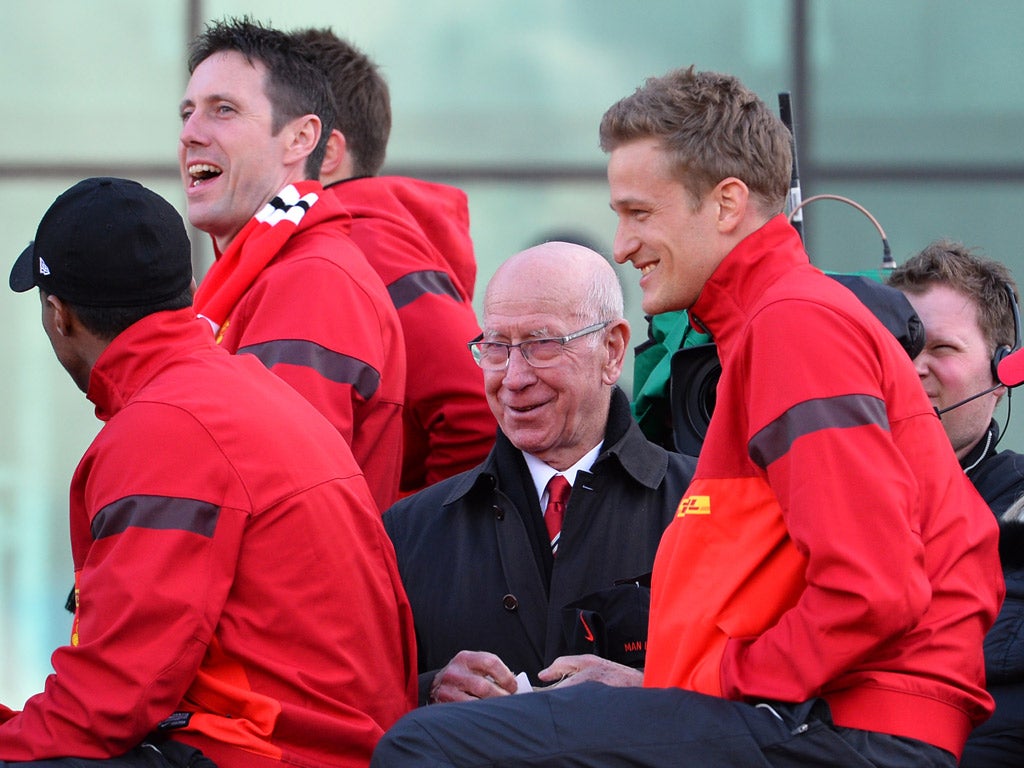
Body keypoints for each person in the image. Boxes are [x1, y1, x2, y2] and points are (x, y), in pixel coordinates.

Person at [371, 66, 1003, 768]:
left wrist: (709, 684)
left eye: (639, 213)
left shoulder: (793, 326)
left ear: (727, 203)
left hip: (851, 728)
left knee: (422, 746)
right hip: (842, 719)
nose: (620, 244)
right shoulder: (774, 326)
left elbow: (873, 588)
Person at [0, 177, 416, 768]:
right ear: (189, 290)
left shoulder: (164, 429)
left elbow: (112, 700)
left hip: (271, 750)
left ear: (58, 315)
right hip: (326, 737)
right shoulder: (238, 390)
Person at [382, 241, 696, 704]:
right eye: (496, 347)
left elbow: (769, 700)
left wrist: (649, 691)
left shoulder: (703, 506)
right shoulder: (409, 530)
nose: (512, 377)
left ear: (612, 350)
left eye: (540, 345)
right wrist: (428, 689)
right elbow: (356, 704)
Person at [179, 17, 406, 510]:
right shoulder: (269, 272)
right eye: (187, 113)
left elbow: (276, 497)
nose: (191, 134)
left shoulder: (311, 280)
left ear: (302, 139)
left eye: (223, 110)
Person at [293, 27, 496, 496]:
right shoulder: (348, 240)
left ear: (325, 152)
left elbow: (475, 409)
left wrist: (404, 540)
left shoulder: (364, 242)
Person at [887, 241, 1024, 767]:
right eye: (900, 345)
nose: (912, 368)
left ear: (1002, 376)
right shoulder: (813, 493)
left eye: (941, 349)